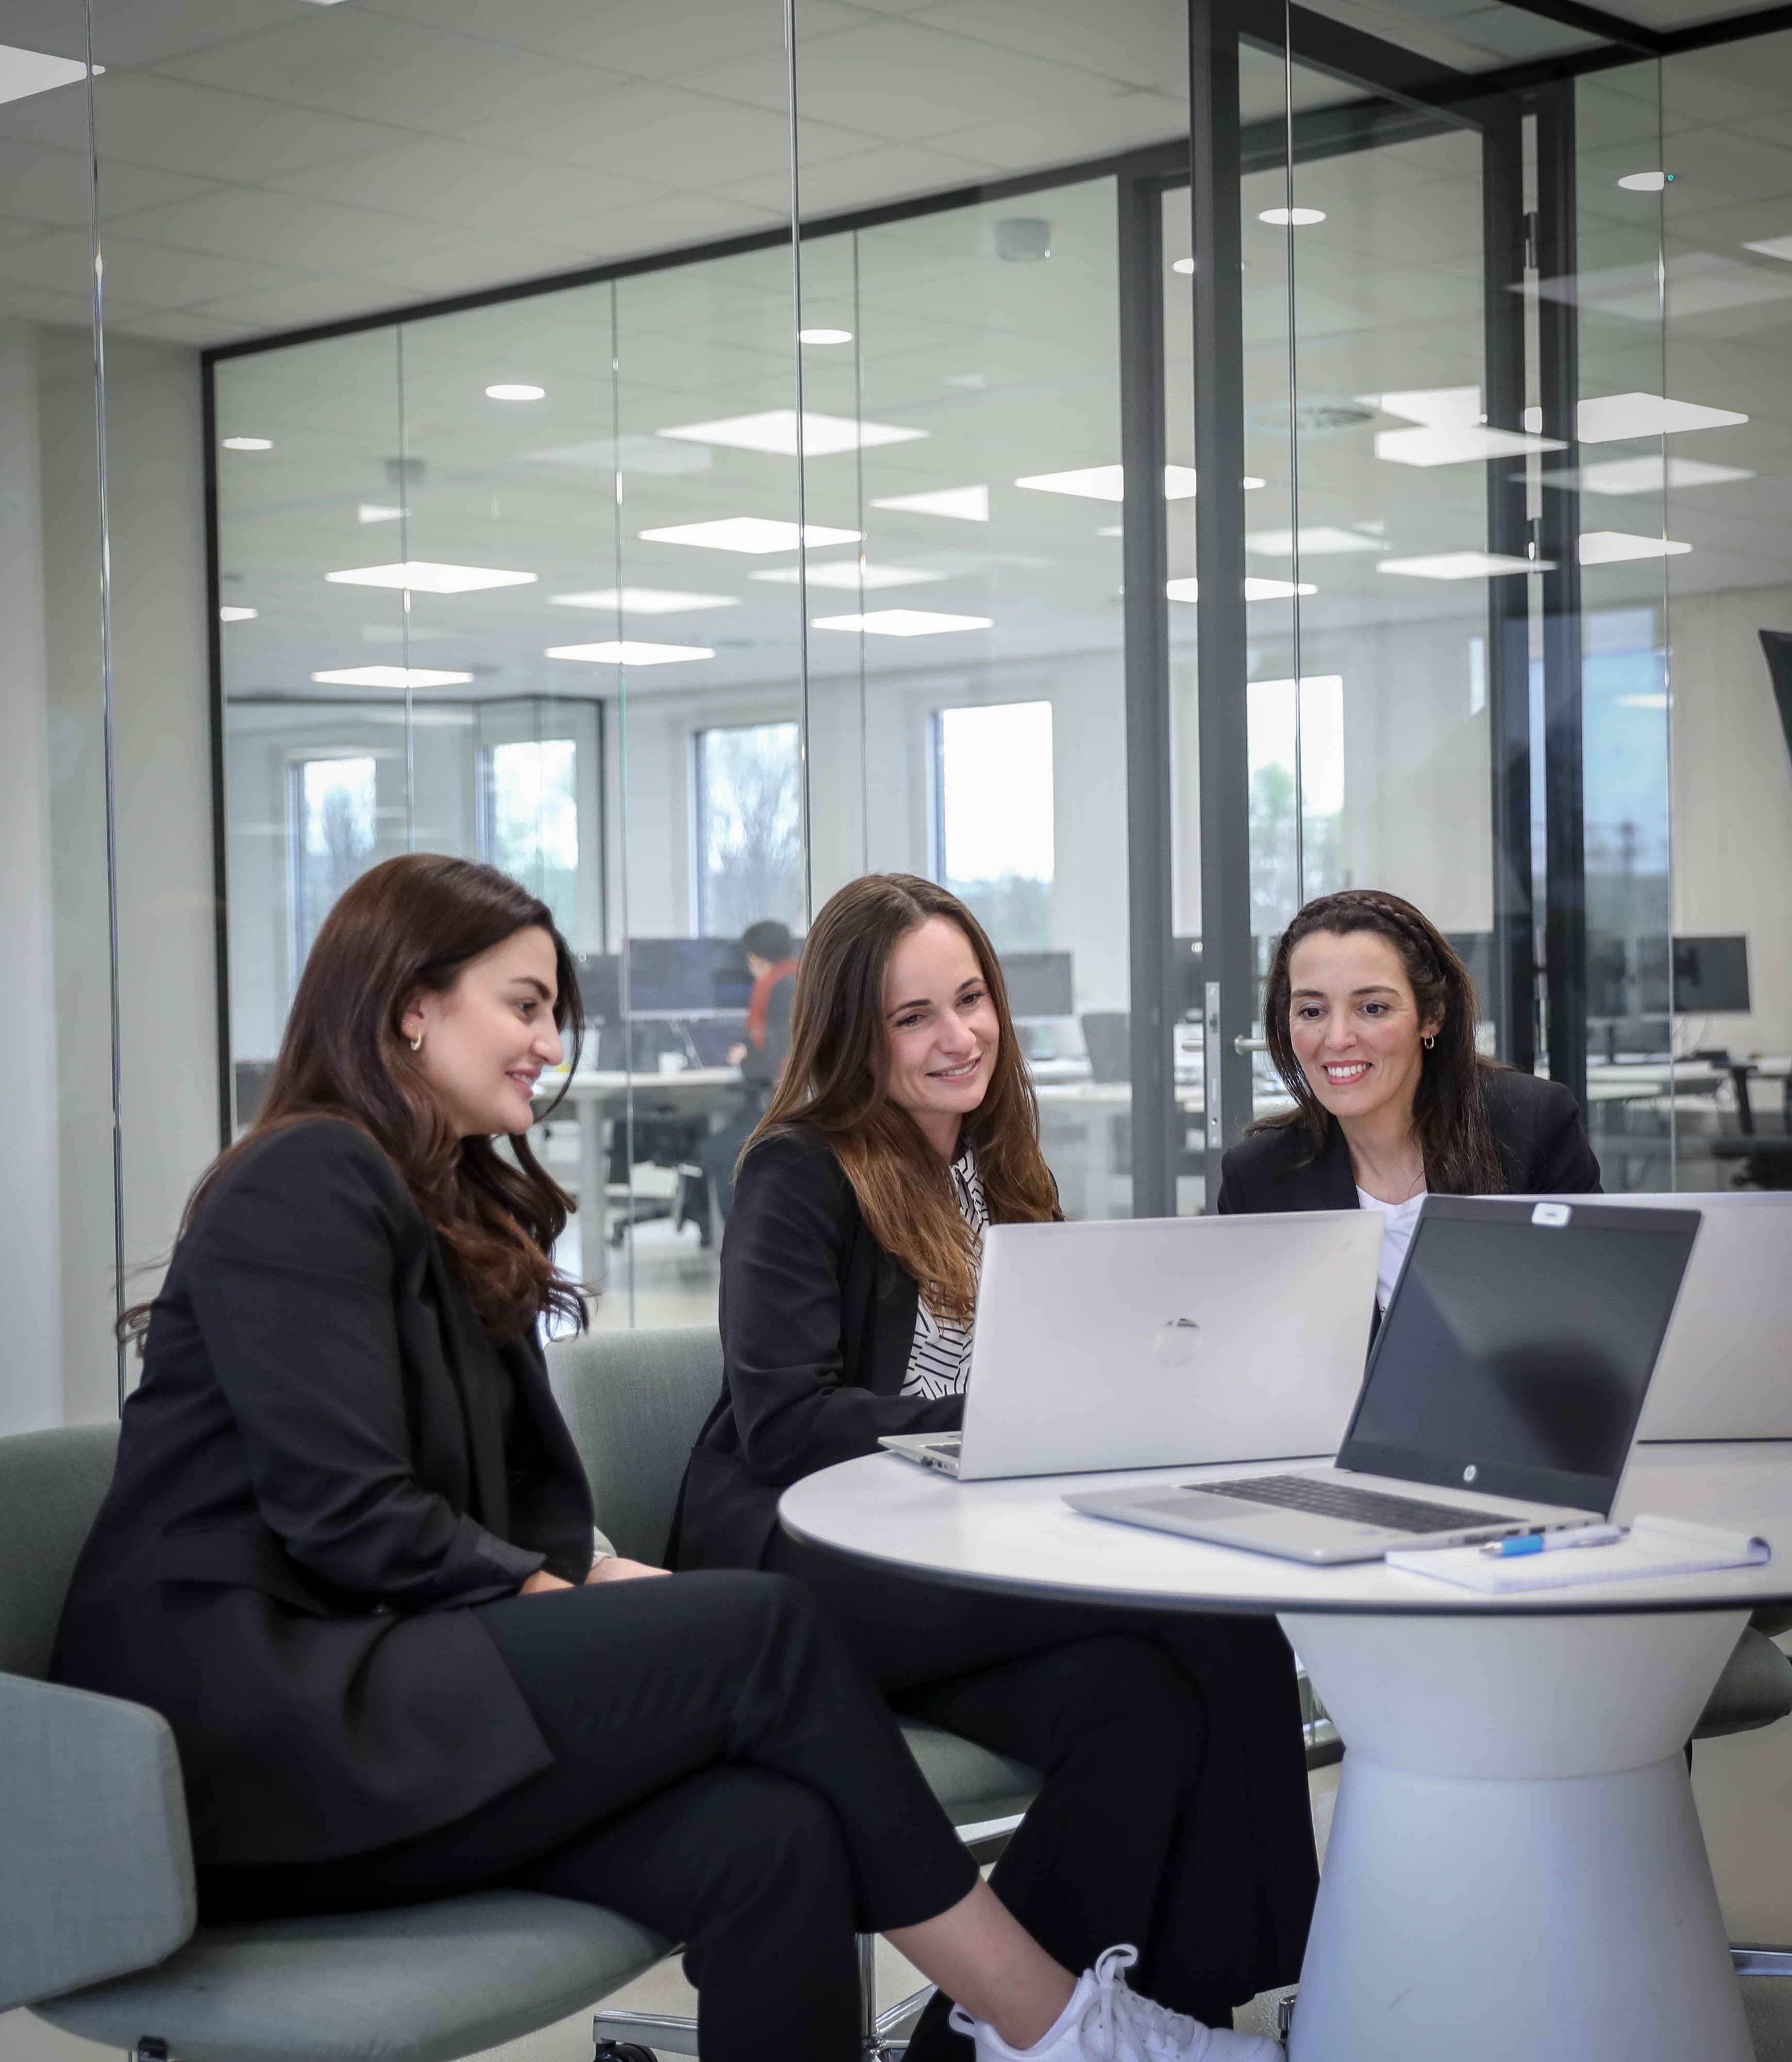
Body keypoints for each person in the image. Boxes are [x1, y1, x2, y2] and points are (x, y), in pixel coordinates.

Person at [50, 853, 1276, 2062]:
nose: (547, 1042)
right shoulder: (303, 1173)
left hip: (389, 1686)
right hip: (251, 1740)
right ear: (408, 1005)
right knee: (756, 1627)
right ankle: (1041, 2020)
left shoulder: (452, 1200)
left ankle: (1030, 2030)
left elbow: (496, 1503)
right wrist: (565, 1595)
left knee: (773, 1836)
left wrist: (582, 1577)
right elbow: (349, 1512)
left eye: (551, 1014)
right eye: (523, 1006)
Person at [671, 872, 1319, 2060]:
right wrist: (1007, 1410)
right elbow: (783, 1418)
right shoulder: (800, 1169)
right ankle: (1231, 2010)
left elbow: (1051, 1369)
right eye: (913, 1015)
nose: (956, 1034)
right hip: (814, 1561)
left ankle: (993, 2041)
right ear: (855, 1034)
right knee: (1217, 1621)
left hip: (954, 1557)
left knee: (1139, 1705)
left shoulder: (1003, 1166)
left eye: (968, 998)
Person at [1217, 888, 1601, 1310]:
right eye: (1312, 1011)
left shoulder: (1531, 1126)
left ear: (1431, 1016)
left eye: (1373, 1008)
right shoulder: (1257, 1178)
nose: (1338, 1038)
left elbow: (1597, 1312)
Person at [702, 918, 802, 1220]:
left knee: (716, 1150)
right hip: (803, 1105)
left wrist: (743, 1058)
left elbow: (763, 1065)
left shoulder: (770, 986)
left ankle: (744, 1236)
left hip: (782, 1110)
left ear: (754, 959)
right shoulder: (808, 978)